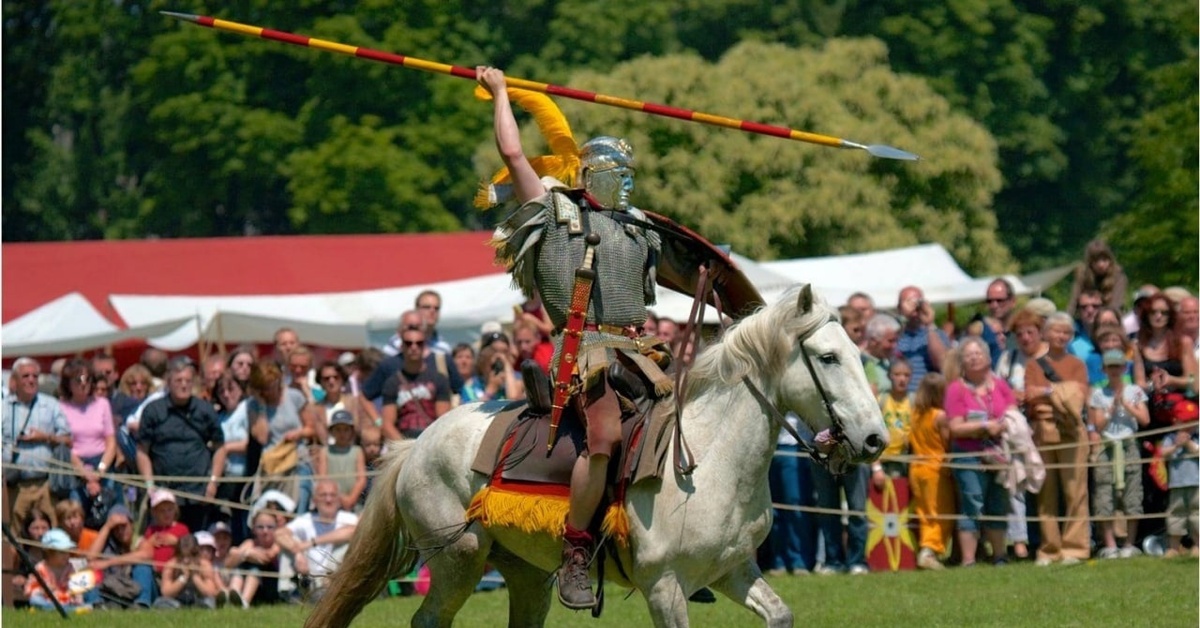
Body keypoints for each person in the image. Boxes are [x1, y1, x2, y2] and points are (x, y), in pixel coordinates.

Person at [479, 65, 687, 609]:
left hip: (639, 350)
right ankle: (576, 549)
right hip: (585, 351)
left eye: (630, 174)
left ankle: (677, 541)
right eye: (619, 175)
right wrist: (502, 91)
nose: (628, 184)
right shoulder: (554, 214)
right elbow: (515, 157)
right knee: (605, 440)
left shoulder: (639, 224)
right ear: (592, 174)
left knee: (688, 426)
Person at [1025, 312, 1091, 566]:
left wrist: (1048, 393)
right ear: (1046, 334)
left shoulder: (1077, 364)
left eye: (1067, 332)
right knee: (1046, 493)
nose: (1062, 336)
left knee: (1076, 492)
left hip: (1072, 433)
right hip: (1044, 432)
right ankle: (1049, 549)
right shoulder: (1034, 365)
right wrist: (1059, 393)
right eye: (1057, 331)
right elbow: (1028, 395)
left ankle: (1075, 548)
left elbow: (1080, 395)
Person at [945, 337, 1014, 567]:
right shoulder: (955, 389)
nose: (974, 358)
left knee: (998, 503)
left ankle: (999, 556)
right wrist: (984, 426)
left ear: (987, 357)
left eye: (978, 353)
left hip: (998, 453)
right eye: (968, 355)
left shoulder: (1001, 385)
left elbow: (1013, 414)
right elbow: (955, 426)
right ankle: (968, 559)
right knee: (971, 502)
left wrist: (1003, 425)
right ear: (962, 361)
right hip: (968, 453)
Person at [136, 357, 226, 533]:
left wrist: (213, 482)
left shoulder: (205, 410)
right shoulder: (153, 410)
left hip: (198, 493)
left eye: (188, 381)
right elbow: (142, 451)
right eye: (178, 380)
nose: (184, 385)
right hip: (165, 494)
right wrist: (149, 485)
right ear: (168, 382)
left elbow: (220, 448)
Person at [1088, 349, 1150, 559]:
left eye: (1118, 366)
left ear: (1125, 368)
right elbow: (1097, 424)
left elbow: (1145, 419)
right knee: (1104, 493)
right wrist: (1111, 409)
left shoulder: (1134, 391)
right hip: (1107, 447)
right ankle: (1110, 543)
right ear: (1104, 369)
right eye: (1110, 367)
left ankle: (1130, 543)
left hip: (1128, 445)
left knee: (1133, 492)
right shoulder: (1098, 394)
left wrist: (1128, 406)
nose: (1114, 371)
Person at [247, 362, 324, 516]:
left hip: (298, 460)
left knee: (299, 506)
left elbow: (311, 428)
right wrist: (262, 406)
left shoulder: (294, 396)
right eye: (265, 387)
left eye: (272, 384)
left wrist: (298, 433)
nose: (270, 390)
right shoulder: (253, 405)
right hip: (273, 465)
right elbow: (262, 438)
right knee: (273, 511)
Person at [3, 356, 71, 527]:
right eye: (26, 376)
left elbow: (68, 440)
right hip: (15, 486)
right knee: (14, 536)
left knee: (51, 534)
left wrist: (46, 437)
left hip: (45, 485)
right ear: (14, 381)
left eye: (35, 376)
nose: (31, 380)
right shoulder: (4, 407)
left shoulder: (51, 405)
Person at [275, 480, 358, 603]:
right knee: (290, 542)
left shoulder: (348, 518)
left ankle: (330, 591)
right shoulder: (306, 520)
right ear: (314, 500)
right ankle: (287, 592)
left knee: (347, 545)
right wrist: (297, 552)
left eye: (332, 495)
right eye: (323, 495)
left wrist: (312, 542)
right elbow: (279, 534)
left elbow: (353, 531)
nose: (328, 500)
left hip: (333, 578)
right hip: (308, 575)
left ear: (339, 499)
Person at [57, 359, 119, 515]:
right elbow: (65, 444)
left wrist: (100, 471)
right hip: (76, 467)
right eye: (78, 380)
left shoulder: (102, 403)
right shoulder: (61, 407)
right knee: (76, 514)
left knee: (109, 513)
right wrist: (85, 474)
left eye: (88, 379)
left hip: (102, 465)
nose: (83, 384)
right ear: (68, 383)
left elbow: (111, 441)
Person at [907, 373, 954, 570]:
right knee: (940, 512)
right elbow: (947, 441)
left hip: (916, 468)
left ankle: (926, 549)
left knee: (924, 512)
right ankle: (929, 550)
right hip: (935, 470)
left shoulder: (915, 413)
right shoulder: (939, 416)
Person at [765, 413, 818, 576]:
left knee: (795, 504)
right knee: (773, 507)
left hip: (796, 444)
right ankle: (779, 560)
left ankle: (799, 560)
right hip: (772, 446)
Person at [379, 326, 451, 440]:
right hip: (403, 441)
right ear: (402, 346)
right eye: (408, 343)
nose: (414, 347)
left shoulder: (439, 379)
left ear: (425, 346)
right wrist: (405, 449)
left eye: (419, 343)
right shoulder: (392, 382)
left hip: (431, 440)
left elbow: (443, 421)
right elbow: (387, 425)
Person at [85, 504, 156, 609]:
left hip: (136, 589)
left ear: (132, 525)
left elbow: (146, 555)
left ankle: (141, 604)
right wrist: (107, 526)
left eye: (124, 526)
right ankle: (97, 605)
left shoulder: (139, 541)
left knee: (143, 567)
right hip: (114, 589)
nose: (120, 531)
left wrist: (108, 562)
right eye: (116, 528)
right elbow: (90, 558)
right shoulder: (108, 544)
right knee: (89, 570)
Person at [212, 372, 251, 543]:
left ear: (241, 390)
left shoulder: (248, 409)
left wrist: (226, 449)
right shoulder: (220, 417)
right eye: (221, 391)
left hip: (244, 478)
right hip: (225, 479)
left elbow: (252, 443)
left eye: (231, 389)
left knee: (244, 523)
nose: (226, 394)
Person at [896, 286, 949, 394]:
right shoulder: (894, 336)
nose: (914, 305)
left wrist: (929, 324)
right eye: (908, 301)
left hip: (927, 398)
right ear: (899, 308)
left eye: (918, 301)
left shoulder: (936, 334)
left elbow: (943, 364)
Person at [1158, 421, 1199, 558]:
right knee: (1175, 514)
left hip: (1196, 483)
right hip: (1176, 483)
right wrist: (1176, 445)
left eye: (1191, 422)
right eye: (1183, 423)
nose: (1187, 427)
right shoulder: (1170, 438)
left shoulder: (1197, 436)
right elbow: (1162, 453)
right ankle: (1174, 548)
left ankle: (1197, 546)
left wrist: (1188, 443)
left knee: (1196, 514)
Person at [24, 528, 91, 613]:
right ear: (49, 553)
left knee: (89, 589)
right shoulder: (40, 568)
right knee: (35, 600)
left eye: (67, 552)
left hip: (66, 599)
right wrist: (44, 590)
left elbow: (76, 585)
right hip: (48, 600)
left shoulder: (69, 567)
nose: (66, 556)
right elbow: (29, 590)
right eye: (62, 552)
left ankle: (73, 608)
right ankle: (61, 610)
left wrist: (78, 596)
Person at [226, 510, 283, 608]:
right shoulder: (250, 542)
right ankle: (233, 597)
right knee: (240, 567)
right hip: (257, 590)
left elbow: (267, 557)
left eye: (270, 527)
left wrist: (246, 554)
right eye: (260, 527)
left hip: (270, 588)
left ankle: (244, 602)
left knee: (254, 568)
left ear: (276, 528)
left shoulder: (277, 544)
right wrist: (245, 554)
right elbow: (229, 563)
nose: (265, 531)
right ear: (253, 529)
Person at [873, 359, 913, 487]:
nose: (902, 379)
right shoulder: (881, 401)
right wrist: (876, 468)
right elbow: (872, 437)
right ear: (890, 376)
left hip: (906, 462)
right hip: (883, 461)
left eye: (906, 375)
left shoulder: (915, 402)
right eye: (897, 374)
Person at [156, 533, 220, 609]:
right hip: (177, 601)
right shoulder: (171, 564)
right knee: (160, 602)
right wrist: (183, 578)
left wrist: (195, 576)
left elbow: (210, 592)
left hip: (199, 600)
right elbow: (166, 592)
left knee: (209, 601)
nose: (186, 560)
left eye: (190, 556)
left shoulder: (204, 564)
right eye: (182, 556)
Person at [1067, 239, 1128, 316]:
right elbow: (1073, 302)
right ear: (1090, 262)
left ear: (1110, 260)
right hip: (1086, 317)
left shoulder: (1119, 276)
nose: (1101, 265)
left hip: (1111, 317)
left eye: (1104, 260)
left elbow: (1116, 304)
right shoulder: (1083, 276)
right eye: (1096, 261)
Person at [324, 410, 366, 512]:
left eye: (346, 429)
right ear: (331, 431)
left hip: (355, 503)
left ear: (351, 431)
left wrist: (351, 499)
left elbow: (362, 479)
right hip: (331, 501)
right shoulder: (325, 451)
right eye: (338, 429)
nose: (342, 433)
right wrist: (341, 497)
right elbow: (323, 478)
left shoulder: (357, 451)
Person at [140, 489, 190, 573]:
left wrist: (176, 542)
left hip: (175, 571)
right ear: (154, 513)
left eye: (170, 509)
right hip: (154, 571)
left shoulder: (182, 529)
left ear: (175, 510)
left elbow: (190, 550)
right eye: (162, 511)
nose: (167, 514)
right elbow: (141, 551)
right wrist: (149, 542)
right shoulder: (151, 530)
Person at [861, 313, 900, 397]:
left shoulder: (889, 363)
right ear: (873, 341)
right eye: (890, 341)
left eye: (896, 341)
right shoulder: (861, 364)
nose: (895, 345)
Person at [415, 290, 453, 355]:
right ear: (416, 310)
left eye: (436, 308)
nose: (432, 311)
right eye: (427, 307)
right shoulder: (398, 344)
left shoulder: (444, 349)